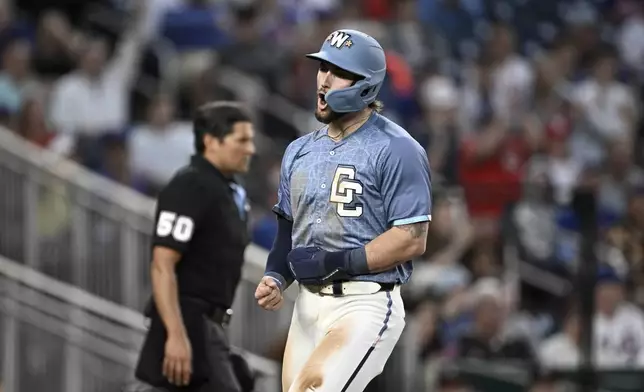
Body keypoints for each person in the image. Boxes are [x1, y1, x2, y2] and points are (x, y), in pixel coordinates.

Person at [254, 29, 432, 392]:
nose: (324, 80)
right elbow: (288, 230)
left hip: (363, 303)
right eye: (323, 68)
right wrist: (275, 276)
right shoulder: (299, 150)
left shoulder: (397, 148)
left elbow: (412, 239)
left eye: (338, 71)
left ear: (366, 85)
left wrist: (338, 261)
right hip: (306, 306)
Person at [133, 101, 256, 392]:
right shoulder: (191, 185)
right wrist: (176, 334)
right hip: (189, 322)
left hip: (209, 327)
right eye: (242, 140)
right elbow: (163, 262)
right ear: (211, 141)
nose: (250, 149)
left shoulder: (226, 190)